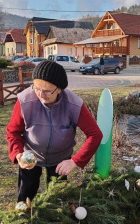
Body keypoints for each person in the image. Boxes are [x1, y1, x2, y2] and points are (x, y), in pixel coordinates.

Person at [7, 60, 103, 203]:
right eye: (36, 88)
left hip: (60, 159)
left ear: (59, 89)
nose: (40, 94)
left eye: (46, 91)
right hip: (31, 155)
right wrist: (18, 154)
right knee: (26, 194)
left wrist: (75, 161)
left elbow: (95, 135)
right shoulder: (25, 100)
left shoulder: (74, 104)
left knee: (58, 199)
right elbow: (13, 132)